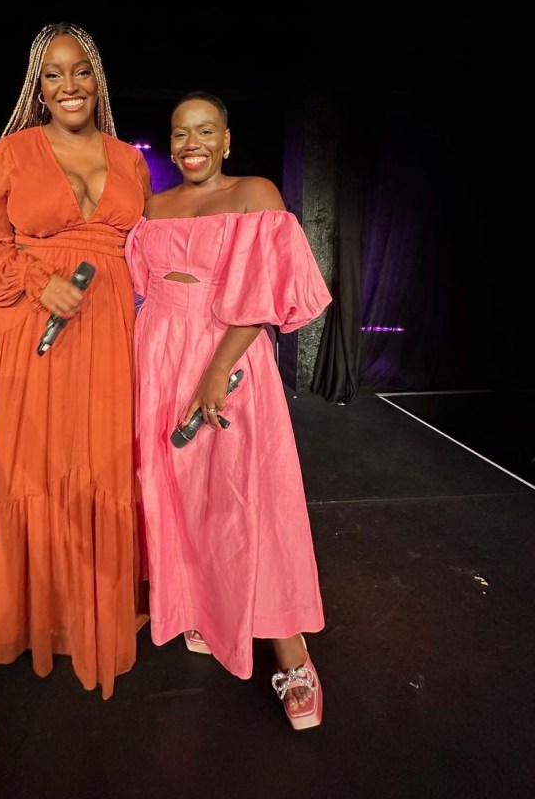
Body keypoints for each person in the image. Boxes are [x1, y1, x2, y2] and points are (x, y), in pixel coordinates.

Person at [0, 22, 152, 700]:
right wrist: (39, 280)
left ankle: (90, 608)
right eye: (54, 74)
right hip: (25, 332)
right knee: (31, 468)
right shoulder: (12, 152)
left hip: (107, 334)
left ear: (98, 79)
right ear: (38, 85)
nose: (69, 86)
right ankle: (28, 613)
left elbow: (151, 249)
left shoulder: (130, 159)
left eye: (81, 71)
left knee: (98, 465)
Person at [125, 91, 331, 729]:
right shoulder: (154, 206)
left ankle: (292, 656)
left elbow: (265, 295)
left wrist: (216, 370)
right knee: (178, 492)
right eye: (180, 133)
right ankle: (200, 608)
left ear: (227, 139)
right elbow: (141, 285)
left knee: (250, 498)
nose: (192, 143)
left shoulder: (256, 194)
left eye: (205, 131)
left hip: (229, 359)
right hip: (157, 354)